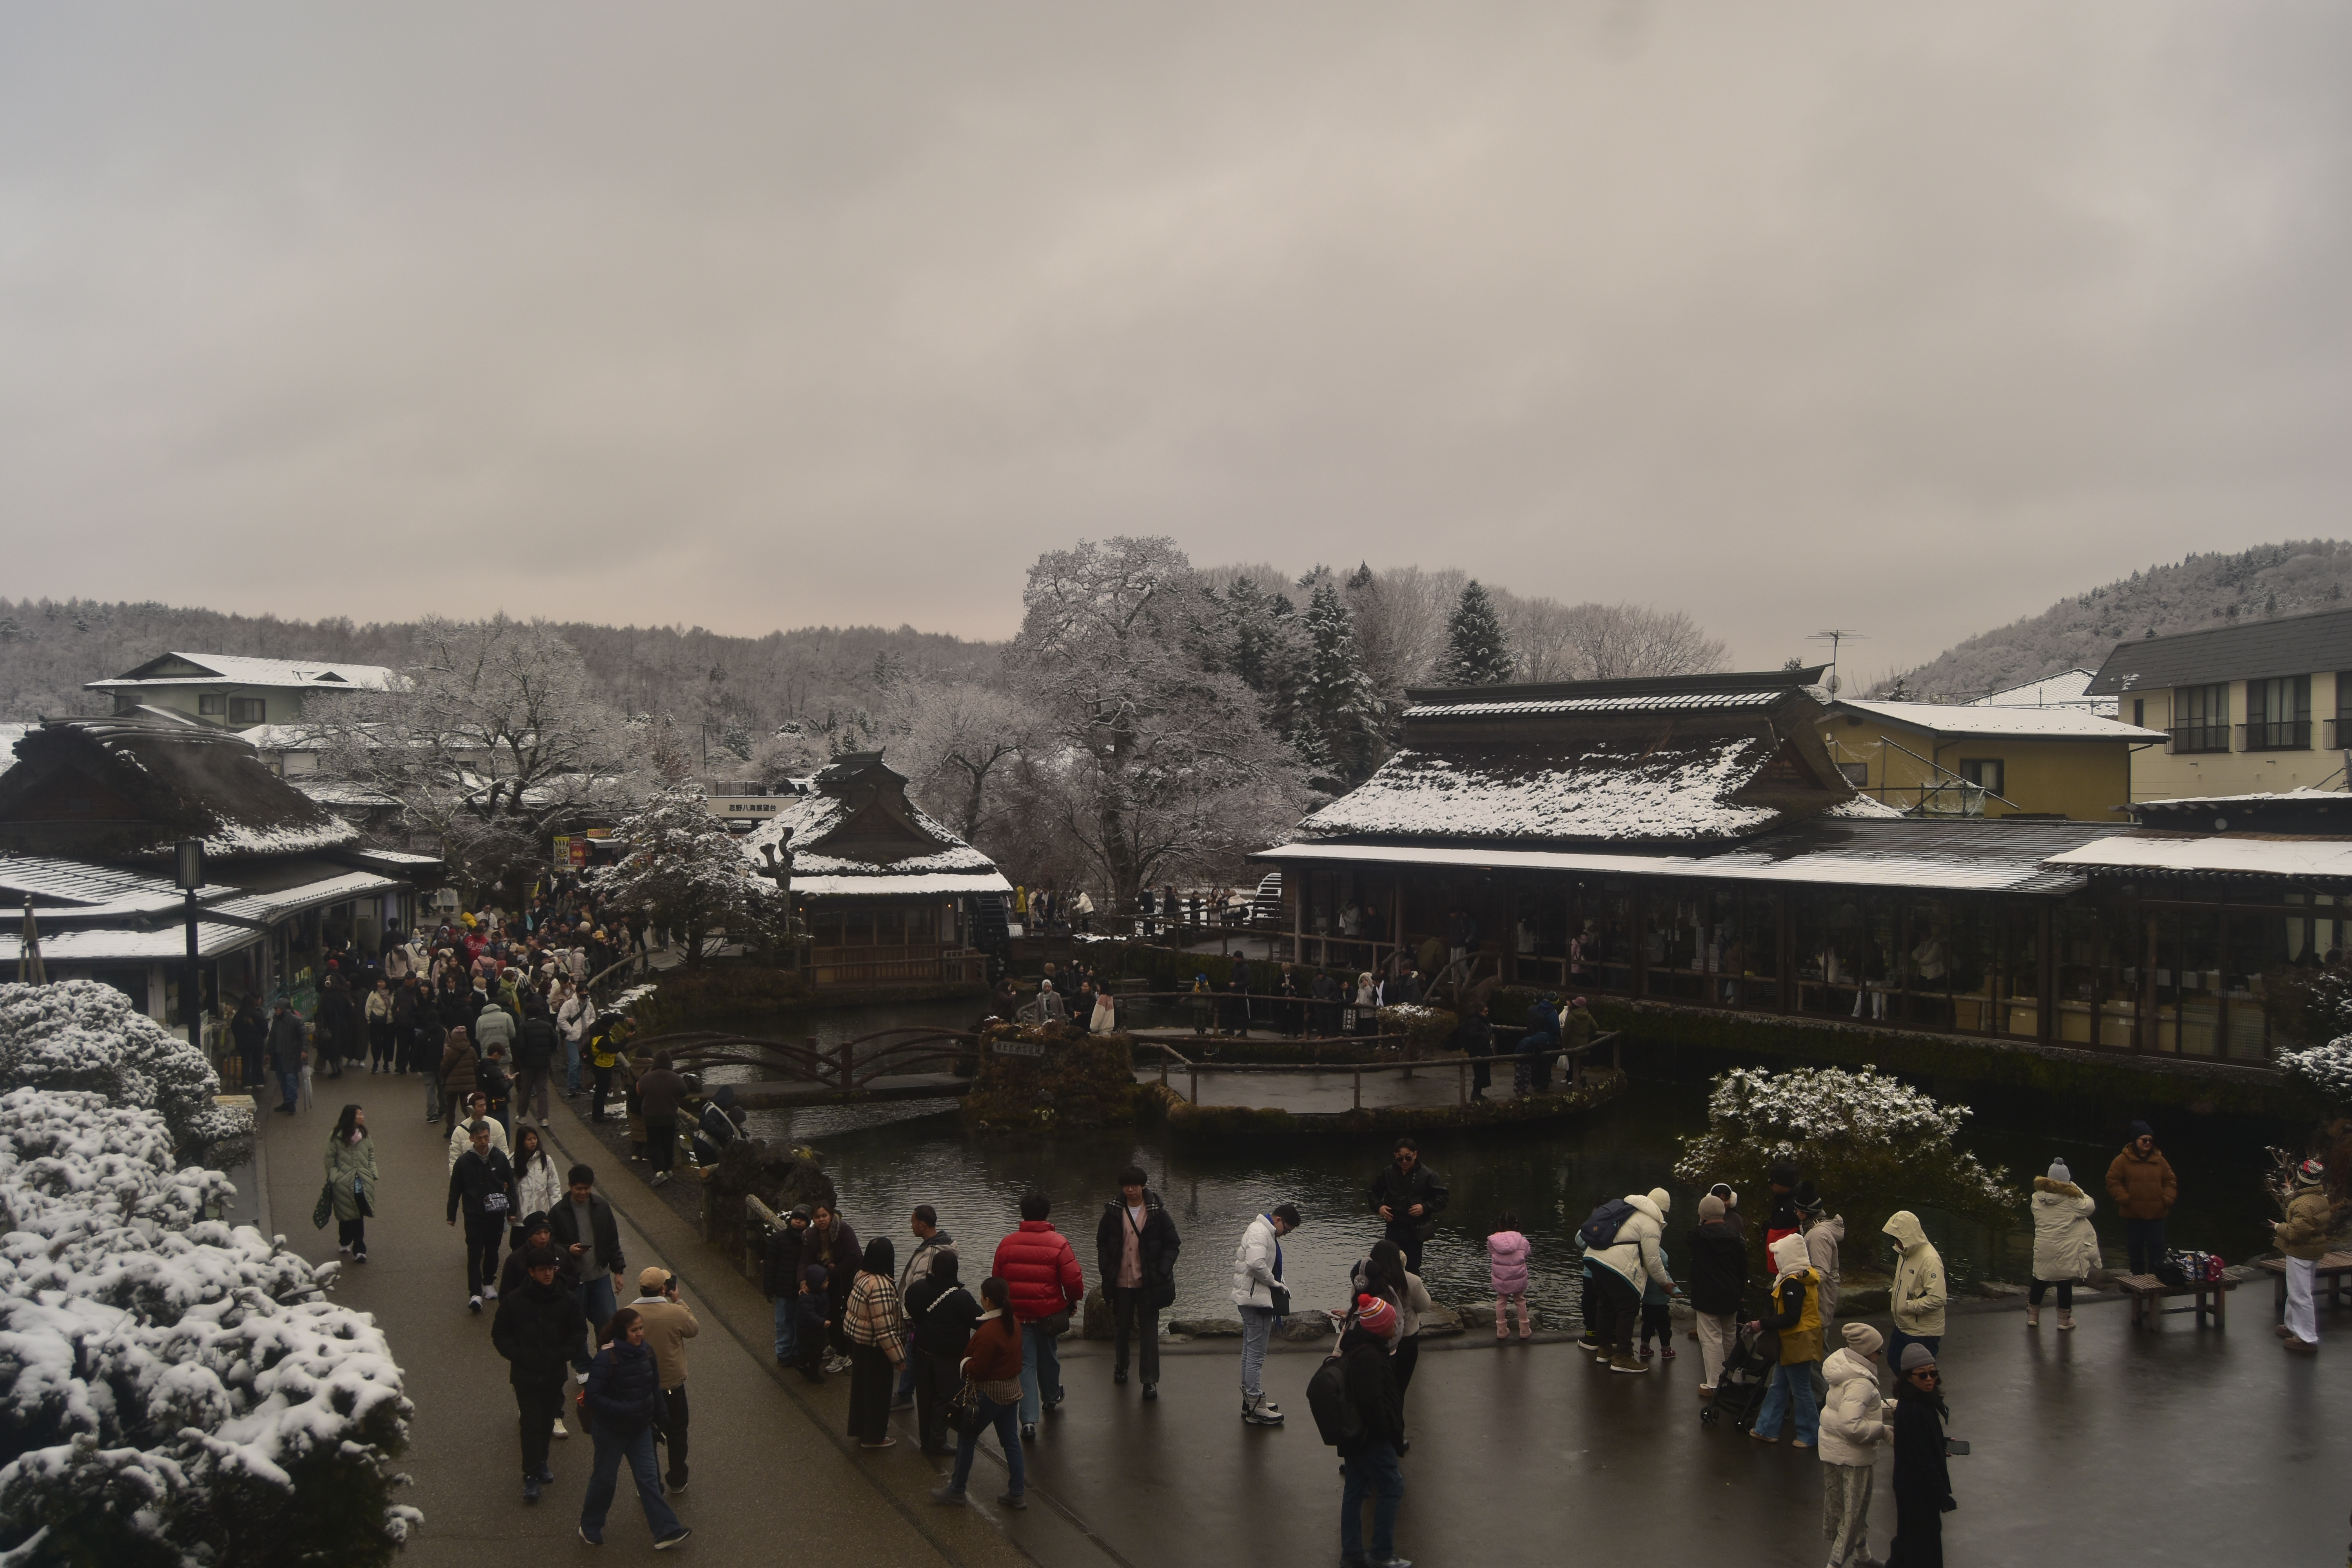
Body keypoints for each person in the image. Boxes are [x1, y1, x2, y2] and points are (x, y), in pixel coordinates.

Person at [578, 1308, 691, 1550]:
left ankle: (666, 1531)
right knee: (605, 1481)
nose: (640, 1334)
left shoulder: (647, 1353)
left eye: (641, 1329)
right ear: (622, 1332)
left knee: (649, 1480)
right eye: (634, 1330)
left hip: (640, 1430)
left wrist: (663, 1420)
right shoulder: (605, 1359)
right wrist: (625, 1409)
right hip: (610, 1431)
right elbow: (592, 1398)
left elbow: (654, 1390)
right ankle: (590, 1525)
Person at [491, 1245, 587, 1504]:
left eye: (551, 1269)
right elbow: (500, 1333)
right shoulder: (515, 1301)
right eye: (542, 1270)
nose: (548, 1275)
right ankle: (531, 1475)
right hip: (526, 1374)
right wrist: (518, 1355)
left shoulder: (567, 1300)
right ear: (531, 1272)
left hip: (554, 1373)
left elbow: (579, 1332)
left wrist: (563, 1353)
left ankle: (541, 1461)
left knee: (546, 1421)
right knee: (531, 1423)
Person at [993, 1192, 1083, 1442]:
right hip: (1048, 1314)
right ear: (1047, 1214)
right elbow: (1073, 1279)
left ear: (1023, 1214)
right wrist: (1071, 1301)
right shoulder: (1059, 1243)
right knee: (1049, 1358)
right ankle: (1052, 1397)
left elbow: (997, 1281)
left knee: (1025, 1365)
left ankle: (1029, 1421)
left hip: (1018, 1316)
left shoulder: (1007, 1243)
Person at [931, 1276, 1027, 1510]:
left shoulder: (988, 1332)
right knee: (1011, 1442)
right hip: (1011, 1391)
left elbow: (980, 1371)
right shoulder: (1012, 1321)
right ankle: (1017, 1493)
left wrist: (965, 1364)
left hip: (990, 1394)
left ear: (986, 1300)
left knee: (966, 1437)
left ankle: (957, 1489)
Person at [1336, 1294, 1410, 1568]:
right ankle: (1380, 1554)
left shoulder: (1360, 1348)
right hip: (1370, 1437)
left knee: (1355, 1490)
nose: (1397, 1325)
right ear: (1381, 1327)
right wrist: (1385, 1434)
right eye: (1393, 1322)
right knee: (1392, 1485)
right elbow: (1372, 1402)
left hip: (1355, 1435)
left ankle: (1352, 1554)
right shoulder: (1370, 1356)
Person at [1095, 1166, 1180, 1398]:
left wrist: (1163, 1271)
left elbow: (1173, 1244)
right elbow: (1102, 1242)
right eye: (1126, 1185)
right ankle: (1121, 1367)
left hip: (1149, 1282)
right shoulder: (1113, 1212)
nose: (1130, 1189)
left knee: (1149, 1331)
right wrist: (1106, 1268)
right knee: (1121, 1327)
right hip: (1121, 1281)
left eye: (1134, 1185)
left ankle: (1149, 1380)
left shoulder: (1157, 1214)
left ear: (1143, 1186)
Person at [1819, 1322, 1893, 1568]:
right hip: (1853, 1458)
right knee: (1853, 1515)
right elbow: (1852, 1426)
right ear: (1867, 1353)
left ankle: (1865, 1559)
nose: (1880, 1355)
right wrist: (1882, 1430)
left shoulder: (1843, 1368)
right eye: (1878, 1351)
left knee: (1844, 1510)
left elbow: (1856, 1408)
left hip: (1832, 1452)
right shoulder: (1861, 1382)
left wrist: (1894, 1408)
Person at [1585, 1187, 1673, 1374]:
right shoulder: (1651, 1221)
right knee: (1628, 1309)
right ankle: (1622, 1357)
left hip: (1594, 1259)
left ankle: (1605, 1349)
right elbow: (1652, 1259)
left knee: (1605, 1304)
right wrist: (1664, 1283)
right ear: (1664, 1210)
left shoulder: (1628, 1208)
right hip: (1615, 1266)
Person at [630, 1267, 701, 1490]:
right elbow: (693, 1329)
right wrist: (679, 1301)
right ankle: (678, 1479)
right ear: (664, 1288)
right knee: (677, 1432)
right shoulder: (674, 1312)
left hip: (640, 1387)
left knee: (644, 1436)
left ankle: (649, 1483)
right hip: (671, 1386)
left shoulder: (628, 1313)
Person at [1750, 1232, 1824, 1447]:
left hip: (1796, 1340)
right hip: (1798, 1339)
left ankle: (1811, 1435)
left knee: (1800, 1389)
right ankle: (1766, 1429)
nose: (1776, 1259)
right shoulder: (1805, 1276)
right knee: (1779, 1385)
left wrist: (1762, 1324)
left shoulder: (1791, 1283)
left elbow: (1791, 1318)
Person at [552, 1164, 628, 1374]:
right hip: (573, 1279)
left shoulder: (602, 1207)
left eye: (587, 1188)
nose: (584, 1192)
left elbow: (613, 1240)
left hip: (600, 1274)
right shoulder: (559, 1211)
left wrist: (618, 1271)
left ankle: (607, 1362)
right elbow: (551, 1243)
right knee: (576, 1326)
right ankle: (583, 1367)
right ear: (570, 1186)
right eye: (579, 1189)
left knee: (608, 1320)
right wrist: (568, 1250)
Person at [1231, 1202, 1301, 1425]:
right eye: (1287, 1229)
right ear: (1278, 1219)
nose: (1286, 1234)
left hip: (1253, 1299)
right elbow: (1255, 1264)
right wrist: (1274, 1284)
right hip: (1257, 1301)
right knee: (1256, 1355)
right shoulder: (1261, 1232)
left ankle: (1250, 1401)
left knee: (1250, 1351)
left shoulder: (1262, 1231)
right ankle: (1255, 1406)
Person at [904, 1253, 980, 1454]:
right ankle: (937, 1441)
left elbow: (909, 1306)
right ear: (955, 1270)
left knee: (925, 1396)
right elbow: (980, 1321)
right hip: (949, 1356)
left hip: (921, 1350)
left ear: (933, 1268)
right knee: (945, 1398)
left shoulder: (917, 1289)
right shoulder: (961, 1297)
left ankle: (925, 1439)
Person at [1886, 1345, 1952, 1567]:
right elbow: (1922, 1461)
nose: (1929, 1379)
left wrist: (1940, 1445)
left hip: (1914, 1489)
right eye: (1923, 1375)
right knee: (1923, 1551)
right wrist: (1942, 1496)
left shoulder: (1922, 1401)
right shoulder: (1913, 1409)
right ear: (1908, 1378)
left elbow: (1921, 1444)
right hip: (1917, 1492)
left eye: (1933, 1373)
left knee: (1910, 1546)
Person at [446, 1120, 516, 1314]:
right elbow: (455, 1190)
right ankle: (475, 1293)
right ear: (471, 1139)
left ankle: (489, 1282)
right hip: (474, 1215)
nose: (484, 1142)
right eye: (479, 1139)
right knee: (475, 1253)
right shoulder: (464, 1162)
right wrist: (451, 1214)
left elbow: (510, 1185)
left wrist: (512, 1211)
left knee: (493, 1251)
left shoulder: (500, 1158)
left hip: (496, 1215)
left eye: (486, 1137)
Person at [844, 1238, 908, 1448]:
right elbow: (884, 1328)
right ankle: (875, 1437)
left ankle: (862, 1430)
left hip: (860, 1345)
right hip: (875, 1349)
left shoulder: (862, 1277)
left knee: (862, 1391)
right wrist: (899, 1358)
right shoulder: (880, 1285)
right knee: (878, 1394)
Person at [893, 1207, 959, 1408]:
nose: (911, 1227)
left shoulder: (931, 1252)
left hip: (920, 1317)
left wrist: (908, 1313)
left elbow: (921, 1287)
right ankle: (908, 1393)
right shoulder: (934, 1247)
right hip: (925, 1316)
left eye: (913, 1222)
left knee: (911, 1352)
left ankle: (906, 1395)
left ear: (922, 1225)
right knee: (913, 1352)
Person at [2027, 1158, 2099, 1331]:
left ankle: (2033, 1317)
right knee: (2064, 1282)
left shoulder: (2036, 1198)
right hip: (2065, 1250)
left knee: (2040, 1280)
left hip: (2043, 1247)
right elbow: (2090, 1206)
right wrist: (2076, 1189)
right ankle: (2063, 1321)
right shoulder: (2072, 1200)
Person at [1687, 1191, 1747, 1396]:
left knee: (1711, 1337)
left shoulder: (1698, 1237)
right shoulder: (1736, 1237)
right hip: (1731, 1294)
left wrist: (1701, 1221)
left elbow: (1691, 1242)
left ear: (1702, 1215)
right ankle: (1731, 1377)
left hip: (1707, 1296)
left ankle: (1714, 1383)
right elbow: (1743, 1269)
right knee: (1730, 1335)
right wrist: (1741, 1292)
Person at [2274, 1156, 2334, 1354]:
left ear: (2301, 1177)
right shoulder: (2319, 1198)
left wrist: (2277, 1227)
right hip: (2313, 1251)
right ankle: (2291, 1325)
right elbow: (2302, 1207)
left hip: (2301, 1253)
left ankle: (2307, 1337)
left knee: (2301, 1295)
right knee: (2299, 1291)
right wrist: (2286, 1191)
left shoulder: (2305, 1204)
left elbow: (2294, 1233)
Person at [2105, 1121, 2178, 1276]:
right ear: (2135, 1140)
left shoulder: (2160, 1160)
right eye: (2144, 1140)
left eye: (2150, 1140)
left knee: (2157, 1247)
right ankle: (2137, 1280)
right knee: (2135, 1247)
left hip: (2158, 1213)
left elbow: (2171, 1181)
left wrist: (2167, 1199)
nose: (2148, 1143)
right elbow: (2112, 1180)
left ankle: (2156, 1280)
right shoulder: (2122, 1160)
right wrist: (2124, 1198)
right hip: (2133, 1213)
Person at [1367, 1137, 1446, 1277]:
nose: (1404, 1162)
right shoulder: (1388, 1173)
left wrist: (1425, 1207)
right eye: (1400, 1159)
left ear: (1415, 1155)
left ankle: (1411, 1296)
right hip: (1393, 1228)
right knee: (1388, 1267)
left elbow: (1443, 1198)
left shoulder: (1428, 1175)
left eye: (1408, 1158)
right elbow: (1373, 1193)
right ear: (1395, 1156)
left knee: (1412, 1269)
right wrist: (1379, 1207)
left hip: (1415, 1231)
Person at [802, 1203, 862, 1374]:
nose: (821, 1220)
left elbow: (855, 1256)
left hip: (845, 1279)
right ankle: (835, 1346)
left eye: (825, 1216)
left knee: (840, 1315)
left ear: (831, 1215)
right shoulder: (811, 1235)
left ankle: (844, 1355)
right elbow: (805, 1260)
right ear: (813, 1219)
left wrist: (834, 1271)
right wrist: (804, 1281)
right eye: (818, 1217)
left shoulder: (844, 1230)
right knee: (829, 1313)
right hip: (826, 1280)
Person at [1882, 1211, 1947, 1368]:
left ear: (1908, 1236)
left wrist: (1907, 1307)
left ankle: (1924, 1393)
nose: (1896, 1243)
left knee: (1920, 1373)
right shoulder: (1905, 1254)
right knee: (1896, 1361)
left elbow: (1938, 1298)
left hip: (1923, 1332)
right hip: (1904, 1325)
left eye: (1898, 1238)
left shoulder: (1929, 1260)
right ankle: (1911, 1392)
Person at [324, 1104, 377, 1262]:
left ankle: (360, 1250)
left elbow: (371, 1156)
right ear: (351, 1117)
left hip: (362, 1182)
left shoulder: (365, 1136)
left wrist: (372, 1173)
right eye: (360, 1114)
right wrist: (335, 1177)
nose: (363, 1117)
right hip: (343, 1183)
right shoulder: (335, 1137)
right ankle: (345, 1240)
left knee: (358, 1214)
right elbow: (329, 1159)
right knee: (346, 1214)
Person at [764, 1205, 813, 1367]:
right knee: (783, 1323)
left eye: (802, 1220)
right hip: (782, 1290)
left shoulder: (809, 1241)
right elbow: (770, 1265)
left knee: (799, 1323)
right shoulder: (779, 1239)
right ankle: (784, 1354)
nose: (798, 1222)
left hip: (801, 1291)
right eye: (796, 1218)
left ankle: (796, 1352)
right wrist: (768, 1288)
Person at [636, 1051, 688, 1187]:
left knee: (655, 1144)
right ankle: (667, 1169)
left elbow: (639, 1091)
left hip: (650, 1117)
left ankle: (659, 1171)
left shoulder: (646, 1078)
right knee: (668, 1143)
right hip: (669, 1116)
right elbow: (684, 1093)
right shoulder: (676, 1078)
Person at [514, 998, 559, 1128]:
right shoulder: (547, 1027)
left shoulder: (523, 1028)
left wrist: (522, 1059)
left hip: (527, 1064)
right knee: (542, 1090)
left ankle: (522, 1116)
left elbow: (520, 1046)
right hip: (543, 1063)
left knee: (526, 1090)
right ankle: (544, 1118)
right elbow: (555, 1043)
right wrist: (548, 1053)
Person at [1487, 1212, 1531, 1340]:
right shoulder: (1523, 1241)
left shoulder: (1493, 1241)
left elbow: (1491, 1253)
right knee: (1520, 1300)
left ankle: (1501, 1330)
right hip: (1518, 1278)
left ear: (1499, 1225)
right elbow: (1527, 1253)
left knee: (1501, 1301)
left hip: (1502, 1278)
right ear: (1517, 1225)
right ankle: (1524, 1329)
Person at [446, 1091, 511, 1169]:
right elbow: (454, 1159)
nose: (484, 1108)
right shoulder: (459, 1132)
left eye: (485, 1105)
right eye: (481, 1106)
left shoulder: (496, 1125)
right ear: (471, 1109)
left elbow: (504, 1151)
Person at [1637, 1239, 1675, 1361]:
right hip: (1661, 1305)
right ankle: (1666, 1350)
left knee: (1647, 1326)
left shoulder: (1643, 1272)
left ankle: (1644, 1348)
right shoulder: (1662, 1272)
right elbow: (1670, 1284)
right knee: (1664, 1328)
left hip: (1647, 1303)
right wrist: (1677, 1293)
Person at [267, 1000, 307, 1115]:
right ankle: (287, 1102)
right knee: (283, 1080)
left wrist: (304, 1050)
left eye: (277, 1009)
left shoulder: (296, 1021)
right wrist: (268, 1051)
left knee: (290, 1079)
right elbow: (272, 1037)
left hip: (291, 1055)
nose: (275, 1011)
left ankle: (291, 1103)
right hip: (279, 1055)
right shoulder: (276, 1021)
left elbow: (303, 1035)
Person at [438, 1024, 477, 1137]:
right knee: (467, 1107)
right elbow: (476, 1066)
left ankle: (450, 1129)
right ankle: (472, 1127)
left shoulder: (450, 1051)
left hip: (452, 1085)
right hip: (468, 1084)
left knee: (451, 1107)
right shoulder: (471, 1050)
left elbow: (444, 1068)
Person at [365, 979, 394, 1073]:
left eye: (382, 982)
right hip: (376, 1023)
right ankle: (375, 1064)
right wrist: (369, 1020)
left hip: (389, 1022)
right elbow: (368, 1007)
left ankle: (386, 1064)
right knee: (376, 1044)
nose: (380, 984)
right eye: (378, 982)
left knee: (389, 1044)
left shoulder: (392, 994)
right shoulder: (373, 994)